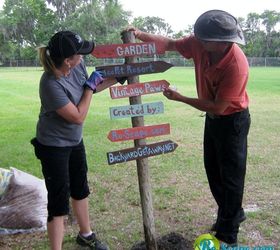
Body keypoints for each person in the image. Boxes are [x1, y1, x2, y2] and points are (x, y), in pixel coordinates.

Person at [129, 10, 251, 246]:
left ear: (219, 42)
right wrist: (140, 34)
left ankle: (228, 233)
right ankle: (231, 214)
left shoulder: (237, 65)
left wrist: (180, 98)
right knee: (213, 170)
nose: (197, 41)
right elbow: (171, 44)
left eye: (203, 39)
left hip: (232, 120)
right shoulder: (199, 43)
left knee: (232, 177)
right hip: (213, 118)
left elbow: (218, 106)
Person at [31, 30, 120, 250]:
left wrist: (117, 78)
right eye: (79, 54)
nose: (83, 57)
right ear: (68, 60)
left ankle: (86, 235)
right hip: (53, 147)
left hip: (74, 142)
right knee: (59, 202)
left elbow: (89, 89)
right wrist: (90, 87)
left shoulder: (77, 65)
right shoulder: (50, 84)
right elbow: (78, 116)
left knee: (80, 189)